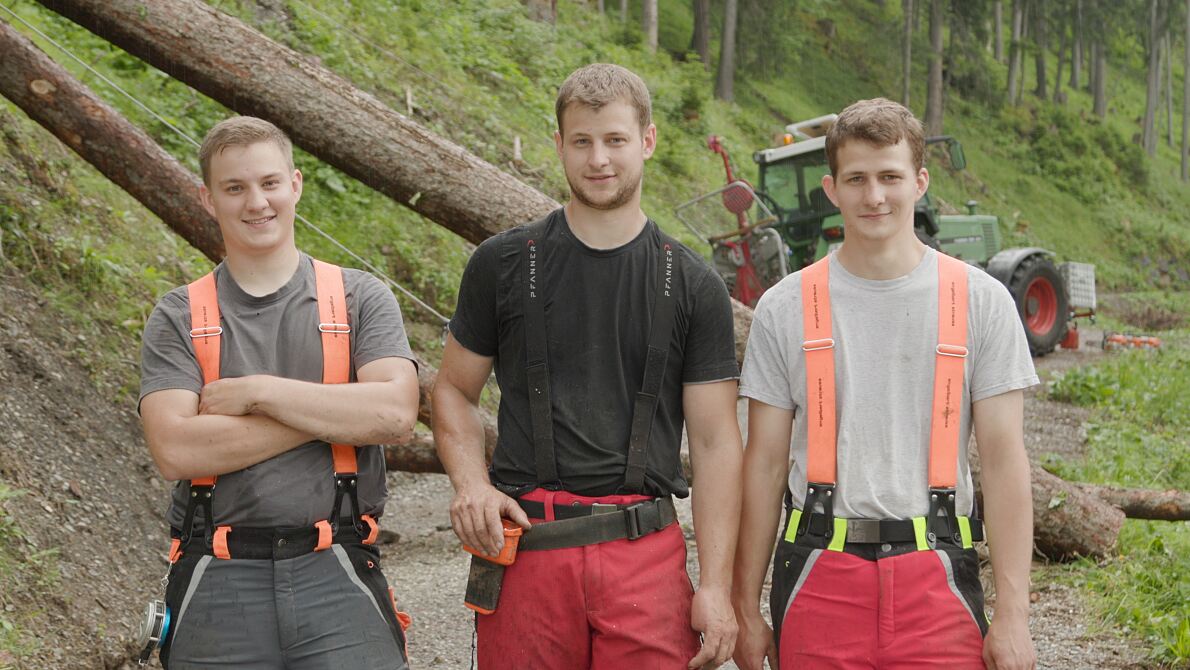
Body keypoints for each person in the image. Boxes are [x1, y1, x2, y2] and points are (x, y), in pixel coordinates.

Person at [432, 63, 742, 669]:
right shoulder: (501, 264)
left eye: (615, 140)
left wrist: (715, 586)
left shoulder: (694, 285)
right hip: (529, 550)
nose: (598, 159)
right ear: (559, 145)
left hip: (645, 557)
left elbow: (714, 443)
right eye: (582, 141)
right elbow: (453, 391)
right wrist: (471, 485)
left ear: (647, 141)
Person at [732, 98, 1038, 670]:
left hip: (938, 579)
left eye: (890, 177)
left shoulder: (981, 301)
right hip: (818, 575)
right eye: (857, 179)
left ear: (920, 182)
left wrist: (1014, 616)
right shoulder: (784, 307)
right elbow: (765, 465)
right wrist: (745, 608)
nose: (874, 196)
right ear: (831, 189)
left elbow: (1003, 463)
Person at [139, 116, 418, 669]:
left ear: (295, 184)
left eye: (269, 183)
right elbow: (176, 450)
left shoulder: (360, 298)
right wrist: (336, 412)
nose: (256, 202)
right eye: (234, 187)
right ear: (208, 199)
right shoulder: (178, 316)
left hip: (338, 570)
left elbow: (393, 414)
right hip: (217, 580)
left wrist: (259, 392)